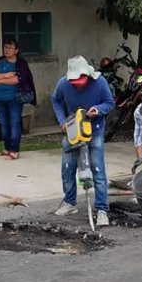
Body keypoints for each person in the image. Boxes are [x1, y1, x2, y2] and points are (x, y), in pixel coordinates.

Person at [51, 55, 115, 226]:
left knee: (97, 170)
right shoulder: (63, 83)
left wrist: (98, 109)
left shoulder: (100, 83)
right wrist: (62, 121)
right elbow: (56, 100)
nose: (76, 82)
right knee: (67, 168)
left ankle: (102, 209)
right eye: (73, 79)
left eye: (79, 79)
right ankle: (70, 202)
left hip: (94, 131)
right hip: (72, 129)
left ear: (87, 75)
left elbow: (109, 103)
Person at [0, 39, 37, 160]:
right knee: (4, 124)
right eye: (5, 47)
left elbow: (18, 80)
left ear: (16, 50)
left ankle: (14, 149)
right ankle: (7, 147)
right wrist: (6, 75)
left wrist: (0, 81)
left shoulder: (21, 63)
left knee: (14, 123)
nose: (7, 50)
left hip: (14, 98)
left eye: (10, 47)